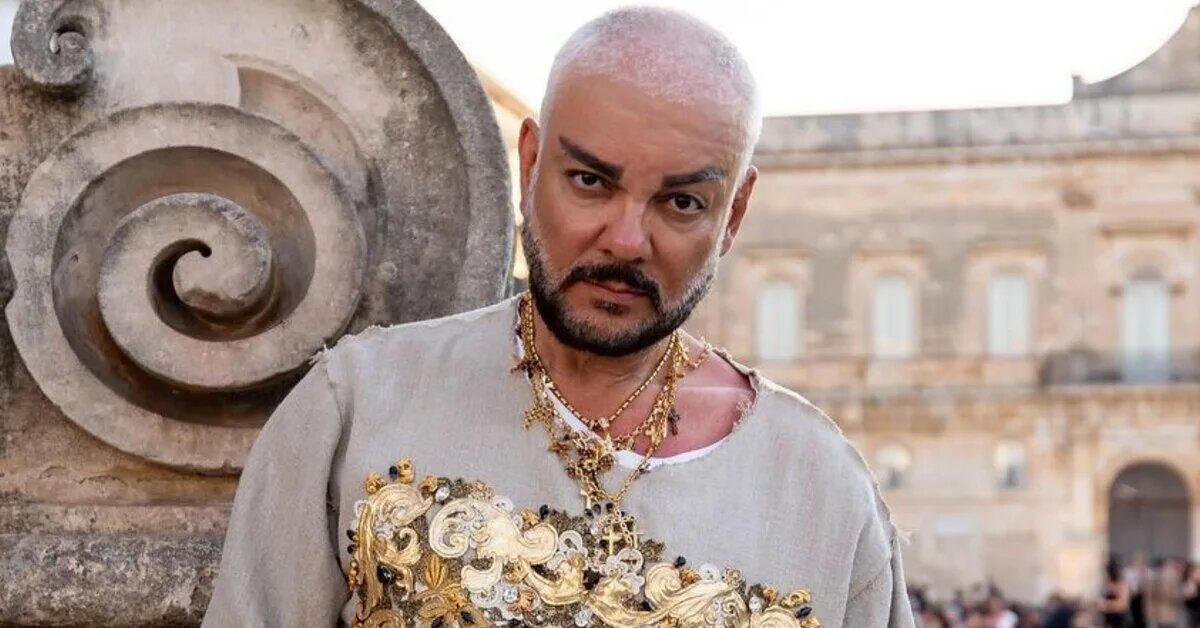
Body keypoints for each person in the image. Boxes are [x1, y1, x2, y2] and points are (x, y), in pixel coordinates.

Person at [202, 6, 913, 627]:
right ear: (531, 163)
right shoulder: (355, 408)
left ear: (733, 216)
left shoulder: (820, 491)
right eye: (590, 181)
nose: (626, 240)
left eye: (681, 203)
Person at [1100, 561, 1134, 627]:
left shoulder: (1123, 584)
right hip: (1109, 620)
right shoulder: (1107, 584)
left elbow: (1122, 605)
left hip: (1121, 620)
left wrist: (1107, 605)